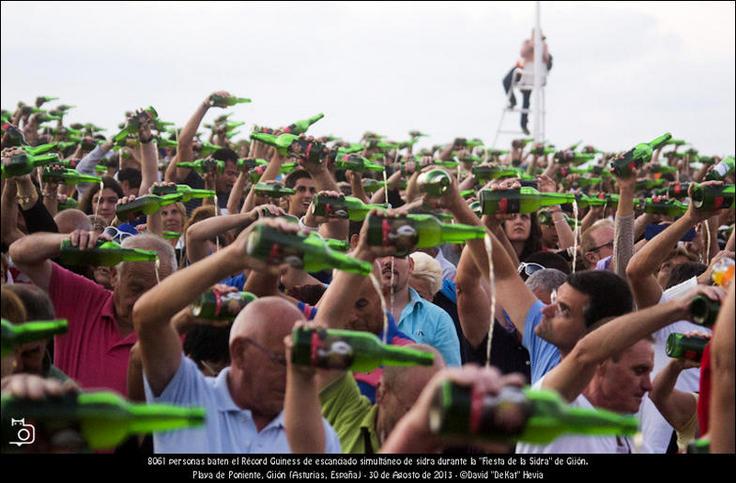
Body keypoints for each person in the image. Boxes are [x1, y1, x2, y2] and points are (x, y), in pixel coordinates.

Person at [132, 217, 341, 453]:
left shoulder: (316, 436)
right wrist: (235, 256)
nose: (292, 376)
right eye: (281, 361)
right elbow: (147, 318)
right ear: (240, 352)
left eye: (300, 362)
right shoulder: (186, 394)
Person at [516, 284, 725, 453]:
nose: (648, 385)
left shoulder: (629, 440)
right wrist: (677, 308)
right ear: (600, 362)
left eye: (648, 371)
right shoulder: (556, 405)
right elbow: (583, 353)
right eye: (638, 370)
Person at [9, 230, 176, 396]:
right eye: (136, 288)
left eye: (157, 291)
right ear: (114, 275)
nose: (145, 300)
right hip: (66, 421)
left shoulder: (176, 331)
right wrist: (70, 240)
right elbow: (20, 253)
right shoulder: (83, 299)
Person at [502, 30, 551, 135]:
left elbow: (546, 60)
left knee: (526, 99)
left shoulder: (544, 46)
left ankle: (523, 124)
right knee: (506, 81)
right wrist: (531, 45)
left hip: (532, 76)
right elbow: (523, 53)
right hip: (521, 71)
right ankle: (512, 101)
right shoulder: (527, 43)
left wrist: (540, 47)